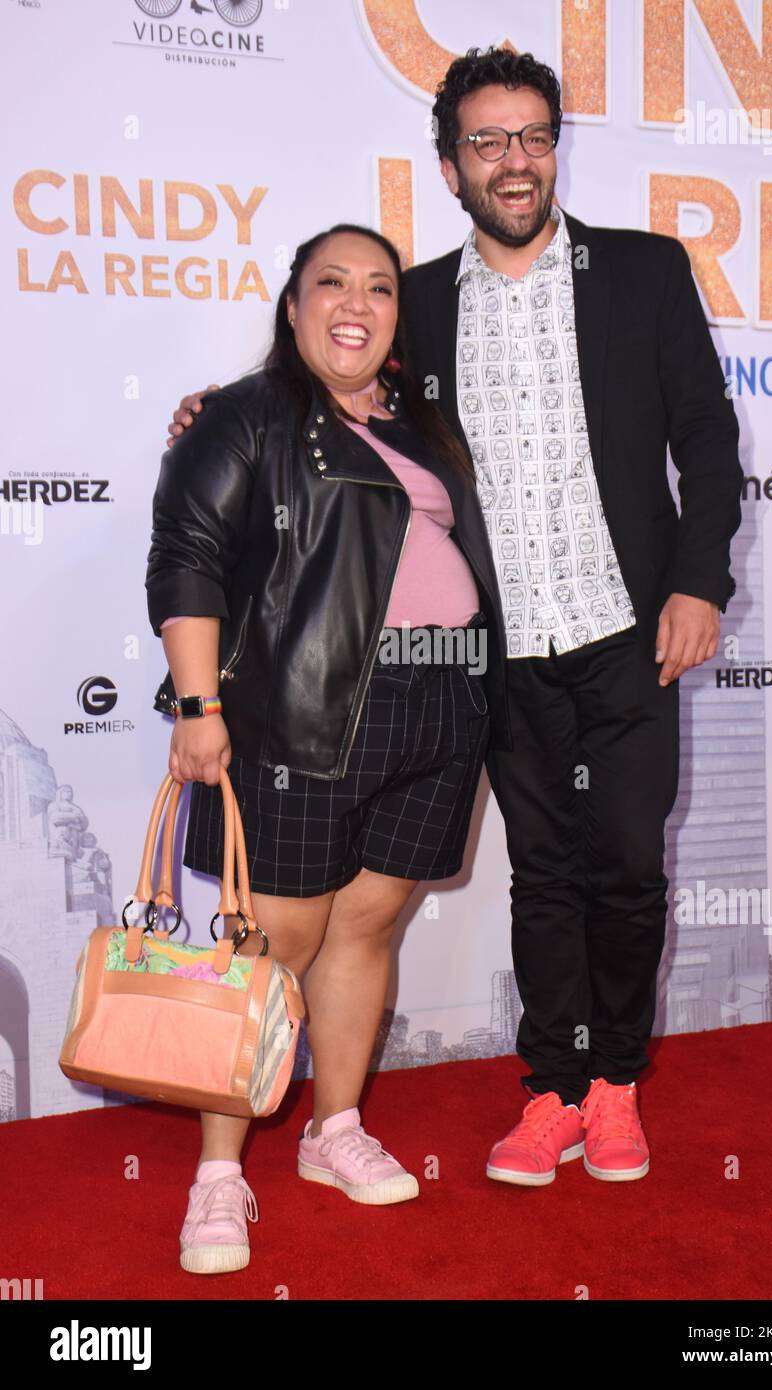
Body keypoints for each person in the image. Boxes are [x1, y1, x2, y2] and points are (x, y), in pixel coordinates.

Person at [165, 48, 743, 1192]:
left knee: (625, 869)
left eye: (531, 136)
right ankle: (552, 1091)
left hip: (630, 634)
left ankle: (615, 1082)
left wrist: (700, 582)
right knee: (541, 874)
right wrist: (218, 405)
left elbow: (710, 443)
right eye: (487, 142)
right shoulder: (417, 302)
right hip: (499, 656)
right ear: (450, 165)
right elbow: (336, 373)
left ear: (554, 146)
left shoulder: (644, 271)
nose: (513, 161)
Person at [146, 222, 509, 1274]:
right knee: (272, 943)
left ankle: (331, 1129)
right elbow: (189, 562)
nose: (357, 302)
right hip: (300, 715)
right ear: (294, 304)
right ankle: (219, 1173)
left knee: (369, 930)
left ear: (398, 315)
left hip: (440, 709)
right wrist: (196, 703)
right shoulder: (245, 416)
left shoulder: (427, 425)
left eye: (380, 288)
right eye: (332, 283)